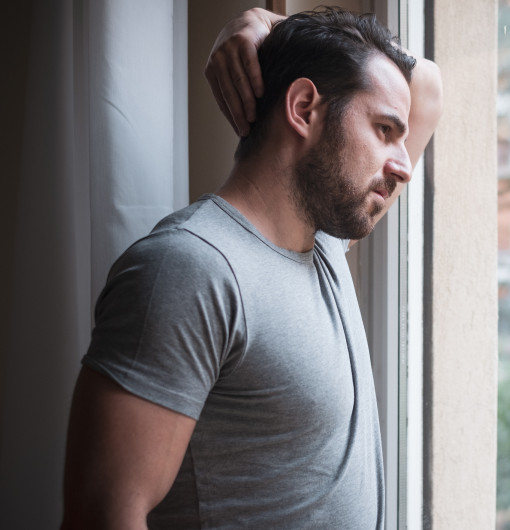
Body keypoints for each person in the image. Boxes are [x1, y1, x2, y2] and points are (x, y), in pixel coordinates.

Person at [60, 7, 442, 529]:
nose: (403, 165)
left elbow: (429, 85)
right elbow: (100, 515)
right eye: (383, 129)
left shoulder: (322, 244)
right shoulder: (190, 270)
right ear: (304, 107)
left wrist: (260, 23)